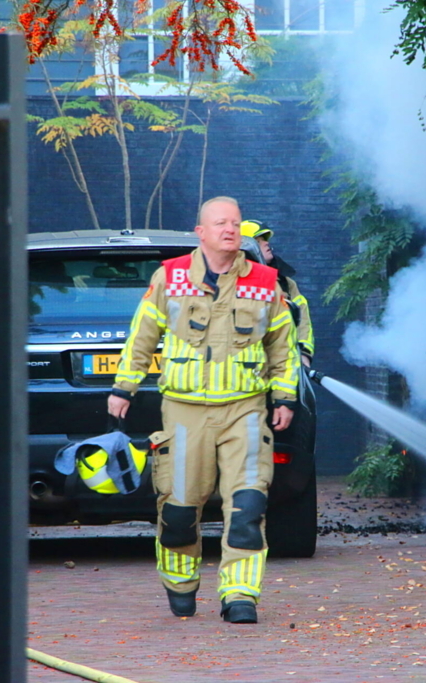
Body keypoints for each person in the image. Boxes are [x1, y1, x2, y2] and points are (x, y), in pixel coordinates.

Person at [108, 196, 300, 625]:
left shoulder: (266, 281)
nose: (230, 230)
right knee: (178, 510)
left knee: (248, 507)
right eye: (220, 223)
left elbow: (283, 348)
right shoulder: (170, 277)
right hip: (184, 412)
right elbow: (142, 334)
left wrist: (284, 398)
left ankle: (240, 595)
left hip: (246, 411)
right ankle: (180, 584)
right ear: (201, 232)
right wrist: (124, 387)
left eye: (235, 223)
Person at [240, 219, 315, 367]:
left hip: (282, 364)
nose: (266, 243)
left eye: (265, 240)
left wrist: (304, 353)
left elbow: (302, 320)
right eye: (259, 240)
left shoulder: (285, 283)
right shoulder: (231, 280)